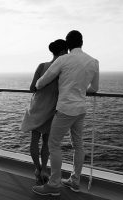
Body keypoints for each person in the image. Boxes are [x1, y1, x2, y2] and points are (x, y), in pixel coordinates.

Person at [32, 30, 99, 196]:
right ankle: (75, 181)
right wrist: (80, 91)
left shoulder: (64, 59)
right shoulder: (93, 61)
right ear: (82, 42)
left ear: (68, 45)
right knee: (78, 145)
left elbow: (41, 82)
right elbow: (95, 88)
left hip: (65, 110)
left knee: (53, 145)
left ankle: (54, 185)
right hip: (81, 109)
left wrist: (40, 85)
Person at [21, 39, 68, 185]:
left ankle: (37, 169)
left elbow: (32, 88)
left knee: (34, 140)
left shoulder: (42, 66)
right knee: (46, 143)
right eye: (66, 51)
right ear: (61, 52)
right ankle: (44, 170)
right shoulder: (62, 69)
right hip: (51, 110)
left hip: (36, 107)